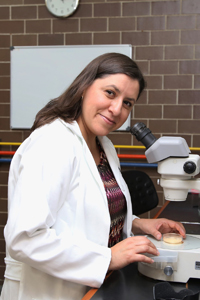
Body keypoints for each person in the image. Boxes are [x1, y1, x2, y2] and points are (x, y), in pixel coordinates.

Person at [1, 53, 186, 300]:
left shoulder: (104, 146)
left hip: (93, 287)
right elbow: (25, 239)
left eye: (128, 103)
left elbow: (87, 211)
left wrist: (135, 224)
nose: (117, 109)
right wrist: (107, 258)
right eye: (110, 93)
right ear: (84, 87)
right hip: (48, 291)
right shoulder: (53, 143)